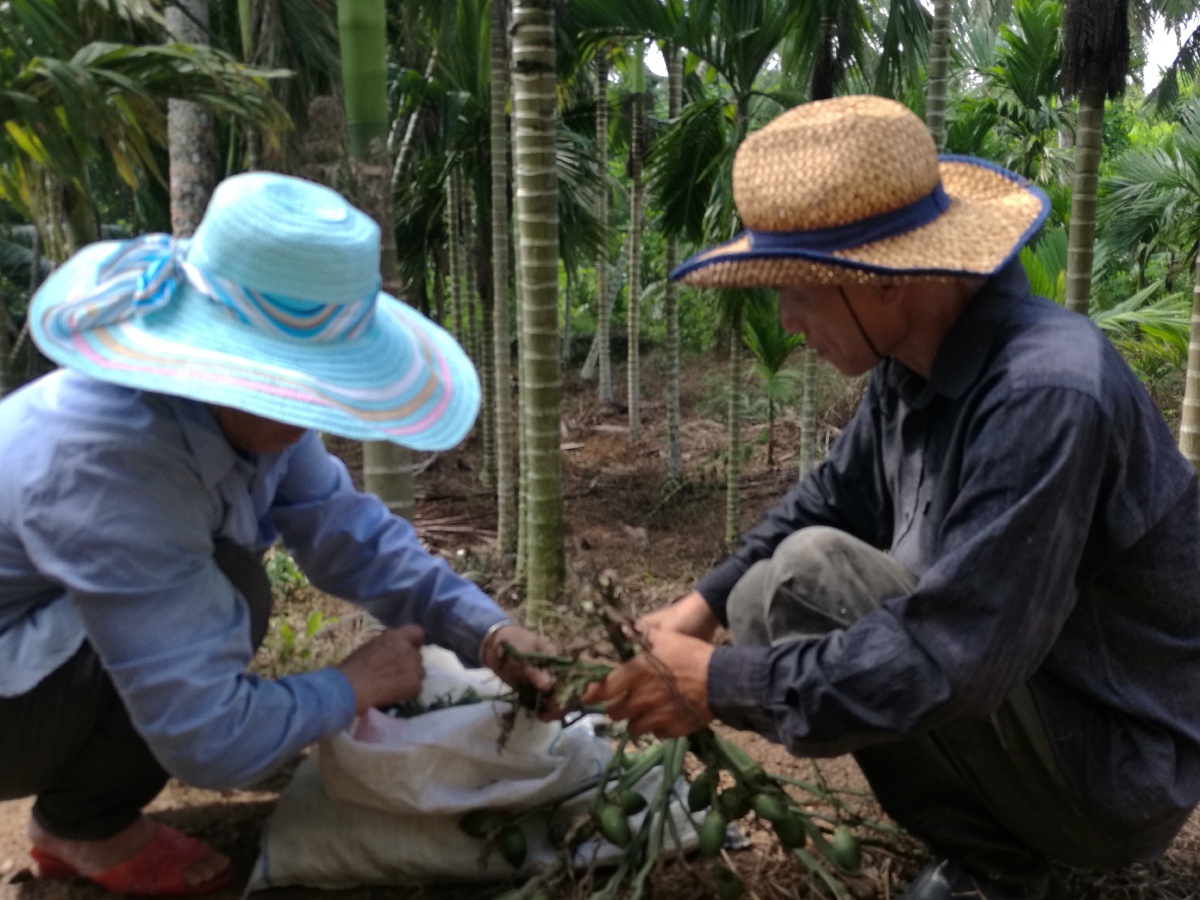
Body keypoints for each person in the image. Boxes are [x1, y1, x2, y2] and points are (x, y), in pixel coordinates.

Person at [584, 95, 1200, 900]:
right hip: (1037, 700)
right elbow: (834, 498)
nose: (787, 321)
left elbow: (958, 655)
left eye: (798, 290)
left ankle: (1004, 865)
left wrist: (715, 684)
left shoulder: (1046, 393)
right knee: (775, 591)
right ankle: (991, 852)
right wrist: (700, 607)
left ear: (882, 281)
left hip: (1112, 767)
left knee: (812, 580)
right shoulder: (908, 362)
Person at [0, 172, 556, 896]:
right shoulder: (116, 466)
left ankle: (80, 812)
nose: (305, 411)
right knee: (231, 589)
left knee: (225, 589)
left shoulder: (244, 414)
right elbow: (205, 739)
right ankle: (84, 827)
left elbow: (349, 533)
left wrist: (484, 631)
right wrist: (350, 685)